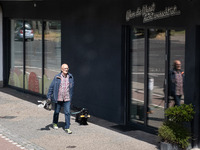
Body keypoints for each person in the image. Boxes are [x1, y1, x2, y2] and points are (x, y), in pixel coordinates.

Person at [47, 63, 74, 134]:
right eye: (65, 68)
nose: (66, 69)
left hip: (67, 98)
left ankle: (67, 127)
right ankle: (55, 123)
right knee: (56, 112)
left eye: (67, 68)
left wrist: (71, 98)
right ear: (61, 69)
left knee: (67, 112)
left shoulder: (70, 77)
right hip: (58, 98)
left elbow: (71, 89)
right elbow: (51, 87)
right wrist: (49, 96)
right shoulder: (57, 77)